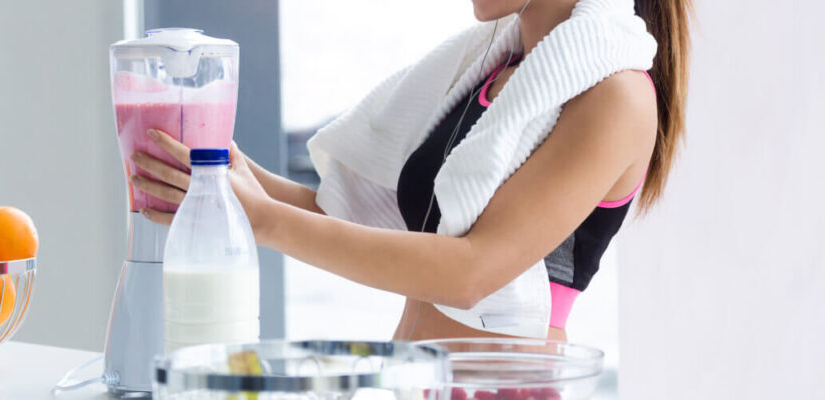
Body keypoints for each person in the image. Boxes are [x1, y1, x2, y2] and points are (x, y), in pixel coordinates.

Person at [129, 0, 690, 342]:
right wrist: (221, 172)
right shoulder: (491, 71)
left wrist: (263, 219)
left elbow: (471, 274)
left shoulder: (616, 98)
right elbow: (354, 225)